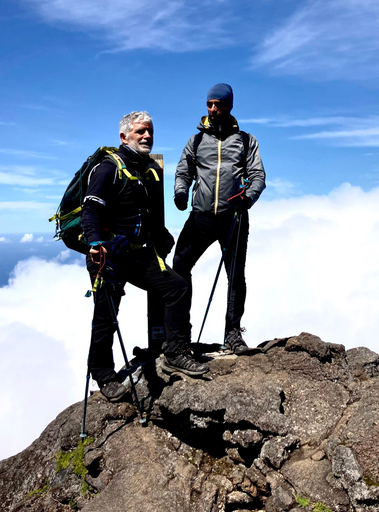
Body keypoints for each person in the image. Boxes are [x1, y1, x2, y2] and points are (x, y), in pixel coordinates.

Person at [83, 111, 209, 402]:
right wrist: (94, 242)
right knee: (106, 317)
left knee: (176, 287)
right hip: (108, 256)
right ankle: (103, 375)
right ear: (124, 136)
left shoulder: (145, 169)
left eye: (150, 131)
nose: (147, 136)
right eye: (140, 131)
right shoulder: (107, 167)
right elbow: (91, 208)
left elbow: (144, 213)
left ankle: (175, 352)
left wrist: (161, 235)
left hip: (139, 255)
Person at [173, 84, 266, 354]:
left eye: (219, 104)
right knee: (178, 268)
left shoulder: (246, 140)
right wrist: (181, 193)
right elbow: (183, 171)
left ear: (229, 106)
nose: (213, 109)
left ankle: (233, 334)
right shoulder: (197, 141)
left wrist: (247, 198)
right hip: (200, 217)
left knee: (235, 277)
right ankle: (180, 335)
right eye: (210, 104)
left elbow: (258, 176)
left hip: (234, 218)